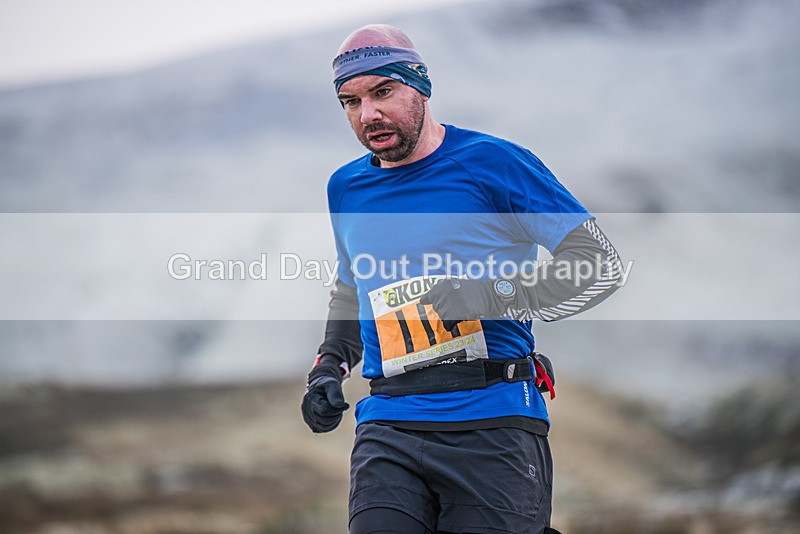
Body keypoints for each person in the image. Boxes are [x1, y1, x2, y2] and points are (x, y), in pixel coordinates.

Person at [301, 24, 623, 534]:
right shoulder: (346, 187)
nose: (368, 114)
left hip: (492, 422)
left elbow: (597, 263)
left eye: (383, 91)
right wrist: (327, 368)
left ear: (420, 85)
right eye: (350, 101)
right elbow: (351, 289)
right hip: (389, 423)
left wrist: (488, 294)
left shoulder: (492, 163)